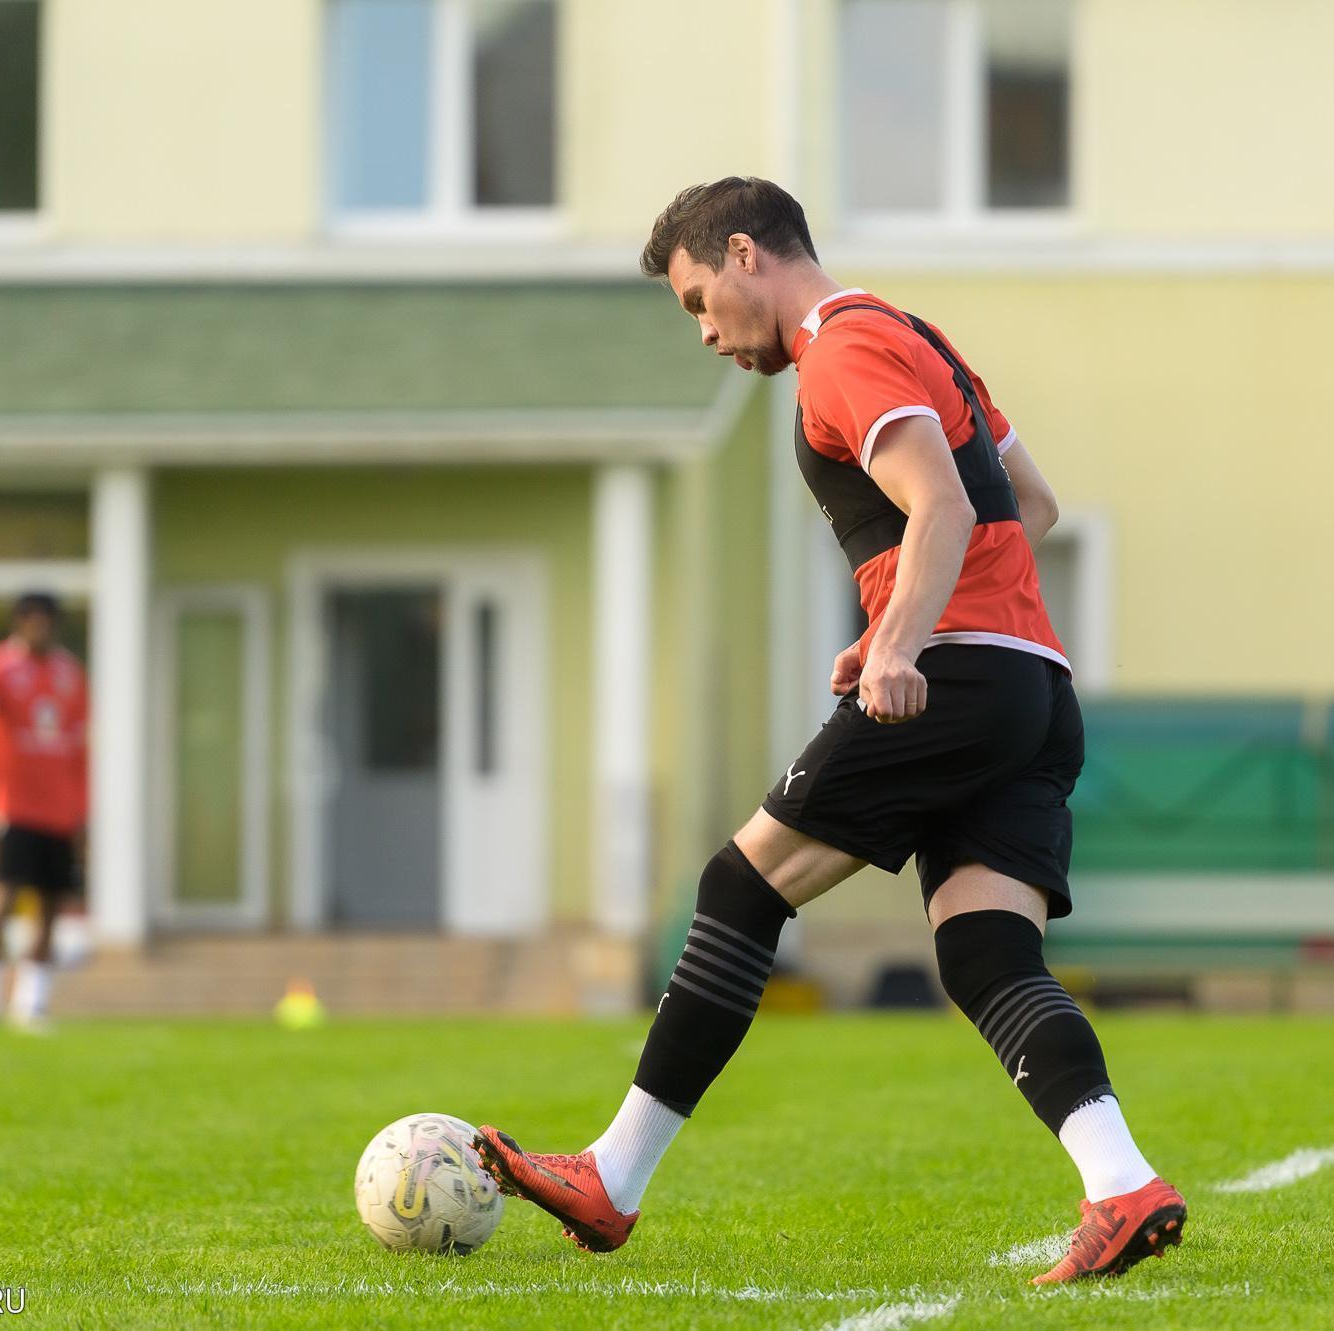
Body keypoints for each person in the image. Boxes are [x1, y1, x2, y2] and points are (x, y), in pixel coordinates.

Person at [474, 178, 1186, 1285]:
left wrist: (903, 642)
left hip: (957, 677)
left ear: (745, 252)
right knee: (986, 950)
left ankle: (612, 1177)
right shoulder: (916, 336)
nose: (706, 332)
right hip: (1032, 686)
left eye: (699, 301)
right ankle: (1122, 1183)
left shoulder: (839, 351)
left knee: (739, 885)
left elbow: (944, 505)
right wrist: (897, 621)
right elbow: (1028, 504)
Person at [0, 593, 88, 1034]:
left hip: (60, 808)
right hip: (14, 804)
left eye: (46, 620)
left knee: (50, 905)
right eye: (31, 620)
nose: (39, 628)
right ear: (19, 623)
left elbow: (79, 744)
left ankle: (31, 1004)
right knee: (3, 895)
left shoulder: (70, 674)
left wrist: (81, 807)